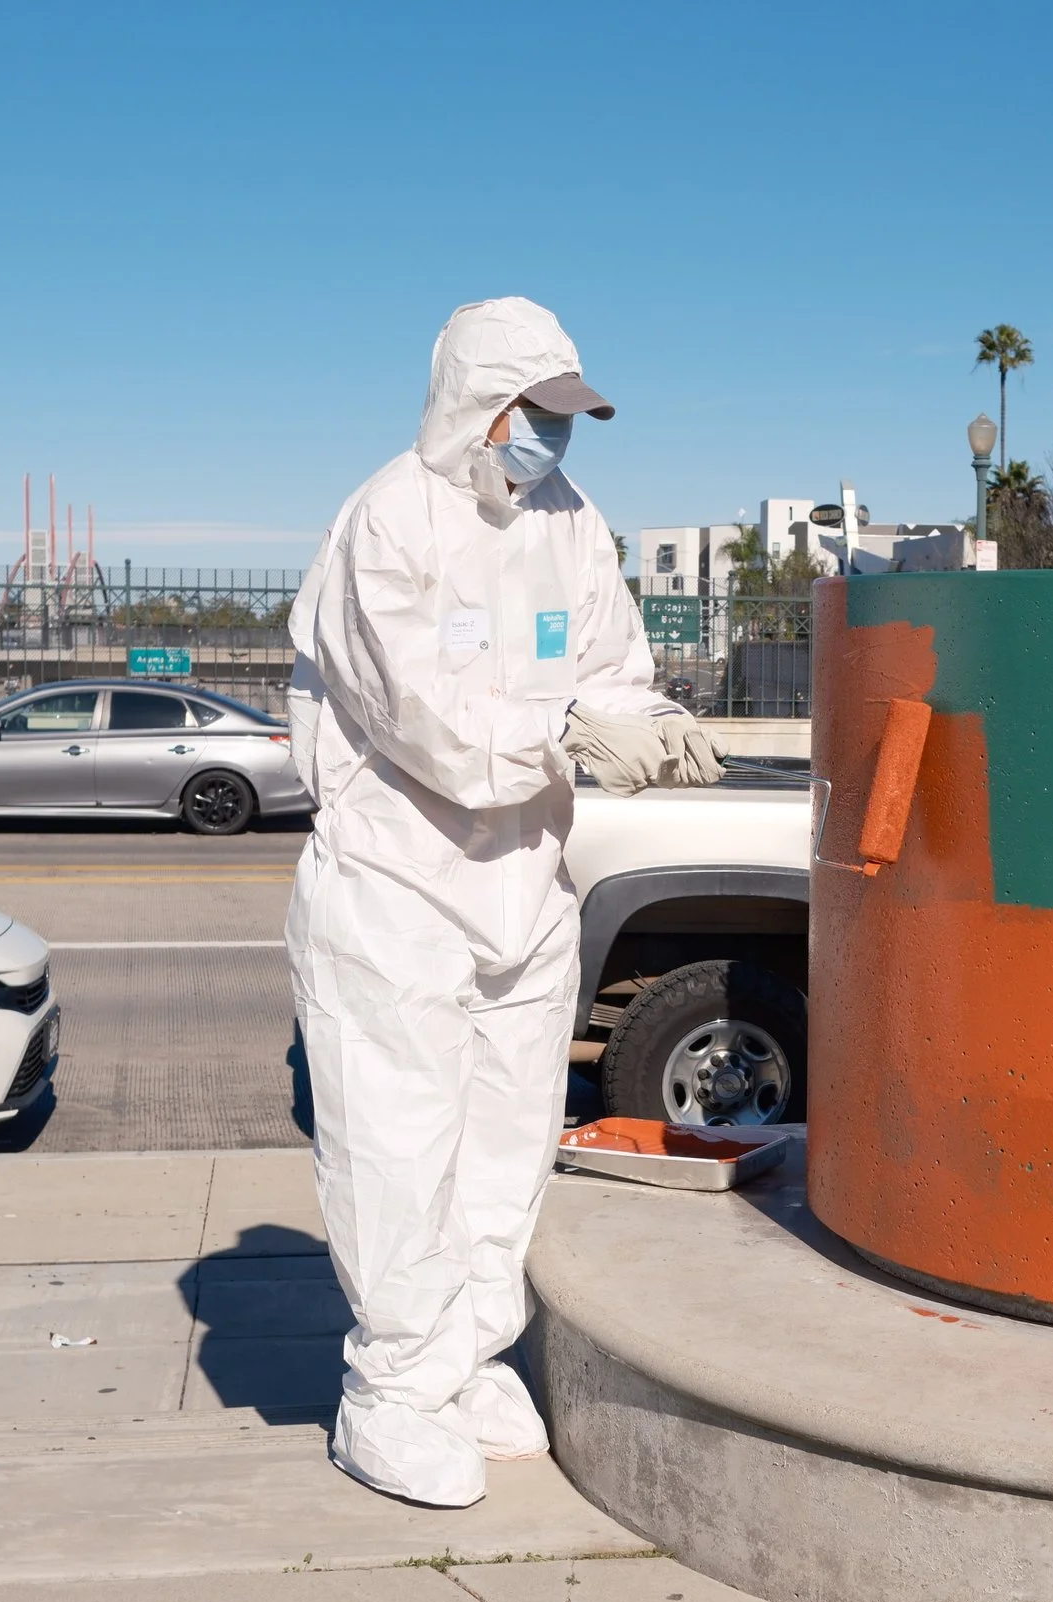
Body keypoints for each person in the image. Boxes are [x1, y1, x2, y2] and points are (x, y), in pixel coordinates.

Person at [284, 297, 726, 1507]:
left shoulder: (569, 523)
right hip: (397, 884)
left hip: (526, 880)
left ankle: (469, 1354)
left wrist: (641, 724)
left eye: (567, 418)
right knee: (397, 1142)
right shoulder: (387, 522)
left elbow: (612, 661)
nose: (552, 440)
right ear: (478, 407)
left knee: (504, 1139)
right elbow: (425, 721)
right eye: (536, 415)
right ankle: (390, 1386)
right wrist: (566, 727)